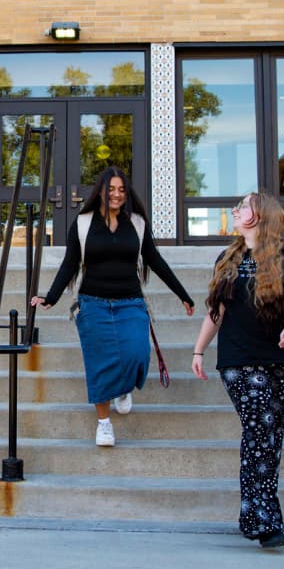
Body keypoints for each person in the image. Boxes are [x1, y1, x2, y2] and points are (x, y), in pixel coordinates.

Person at [31, 167, 195, 447]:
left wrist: (183, 294)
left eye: (121, 190)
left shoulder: (137, 223)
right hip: (92, 303)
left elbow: (155, 260)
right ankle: (104, 423)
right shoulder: (83, 223)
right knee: (99, 364)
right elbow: (70, 263)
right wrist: (51, 297)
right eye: (111, 189)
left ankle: (123, 388)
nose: (116, 194)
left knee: (138, 354)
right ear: (101, 192)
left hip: (130, 302)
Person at [191, 191, 284, 550]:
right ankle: (264, 519)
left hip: (283, 359)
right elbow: (216, 310)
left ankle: (257, 515)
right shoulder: (228, 258)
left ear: (262, 214)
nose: (235, 211)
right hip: (239, 358)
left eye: (243, 206)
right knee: (260, 428)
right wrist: (199, 349)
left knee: (271, 435)